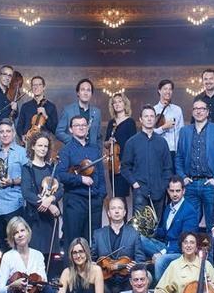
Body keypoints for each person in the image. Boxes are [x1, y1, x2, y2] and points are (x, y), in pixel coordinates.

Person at [55, 114, 104, 247]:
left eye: (84, 125)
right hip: (75, 201)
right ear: (71, 129)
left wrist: (101, 197)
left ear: (87, 128)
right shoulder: (66, 150)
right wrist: (81, 178)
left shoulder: (95, 149)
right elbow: (62, 175)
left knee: (93, 242)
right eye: (77, 125)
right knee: (74, 242)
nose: (81, 128)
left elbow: (100, 174)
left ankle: (91, 268)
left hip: (94, 201)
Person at [176, 98, 214, 224]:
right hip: (191, 184)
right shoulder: (184, 131)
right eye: (195, 109)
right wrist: (183, 177)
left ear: (207, 112)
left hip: (210, 184)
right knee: (189, 224)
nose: (199, 111)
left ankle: (212, 245)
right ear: (192, 112)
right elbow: (179, 157)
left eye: (202, 108)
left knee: (213, 224)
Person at [140, 177, 199, 281]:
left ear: (183, 191)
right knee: (139, 239)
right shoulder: (168, 208)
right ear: (168, 191)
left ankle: (160, 291)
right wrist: (150, 230)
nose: (175, 194)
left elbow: (185, 243)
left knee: (160, 260)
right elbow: (164, 232)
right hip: (166, 246)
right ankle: (142, 277)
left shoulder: (190, 211)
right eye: (172, 191)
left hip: (180, 251)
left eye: (178, 191)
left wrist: (162, 253)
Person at [120, 104, 173, 214]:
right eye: (146, 116)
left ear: (155, 119)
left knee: (157, 227)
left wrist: (163, 186)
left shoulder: (162, 142)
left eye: (152, 116)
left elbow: (168, 168)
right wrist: (134, 183)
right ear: (141, 119)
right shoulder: (132, 142)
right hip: (140, 191)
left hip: (159, 192)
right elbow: (125, 167)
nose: (149, 119)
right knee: (140, 228)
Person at [93, 197, 147, 293]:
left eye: (120, 208)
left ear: (124, 212)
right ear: (108, 213)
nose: (117, 211)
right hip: (104, 281)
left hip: (127, 281)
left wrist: (136, 266)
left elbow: (141, 260)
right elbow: (92, 258)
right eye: (113, 208)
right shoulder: (98, 234)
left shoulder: (134, 233)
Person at [21, 134, 62, 260]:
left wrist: (51, 199)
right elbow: (26, 192)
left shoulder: (52, 168)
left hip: (49, 219)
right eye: (40, 145)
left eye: (46, 146)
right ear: (33, 146)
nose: (43, 149)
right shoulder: (27, 168)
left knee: (49, 255)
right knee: (34, 254)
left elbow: (60, 189)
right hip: (35, 217)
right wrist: (48, 205)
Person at [0, 122, 27, 249]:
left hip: (14, 204)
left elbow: (28, 178)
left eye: (8, 131)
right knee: (1, 244)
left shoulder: (23, 152)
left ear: (13, 133)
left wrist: (13, 181)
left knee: (17, 243)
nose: (5, 134)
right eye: (1, 132)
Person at [104, 93, 138, 203]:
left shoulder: (130, 122)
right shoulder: (111, 123)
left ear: (125, 103)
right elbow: (105, 143)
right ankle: (119, 219)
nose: (117, 104)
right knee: (118, 196)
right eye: (114, 103)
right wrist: (109, 142)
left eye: (120, 101)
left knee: (127, 196)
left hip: (126, 163)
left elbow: (133, 144)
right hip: (114, 164)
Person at [55, 78, 103, 148]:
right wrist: (74, 141)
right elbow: (59, 132)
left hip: (92, 153)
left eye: (88, 90)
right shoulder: (68, 110)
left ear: (91, 94)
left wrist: (98, 151)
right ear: (78, 93)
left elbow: (99, 137)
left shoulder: (97, 112)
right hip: (73, 151)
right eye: (83, 89)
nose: (85, 93)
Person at [16, 75, 57, 142]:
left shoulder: (51, 106)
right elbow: (19, 126)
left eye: (39, 85)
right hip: (28, 142)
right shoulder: (25, 106)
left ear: (44, 87)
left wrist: (45, 116)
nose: (36, 87)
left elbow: (54, 129)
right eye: (34, 85)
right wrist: (22, 135)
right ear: (31, 88)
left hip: (44, 144)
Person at [152, 79, 183, 155]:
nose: (168, 92)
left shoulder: (177, 109)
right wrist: (163, 128)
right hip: (158, 150)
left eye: (170, 89)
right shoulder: (153, 110)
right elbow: (150, 132)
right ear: (159, 91)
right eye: (165, 89)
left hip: (175, 151)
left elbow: (181, 131)